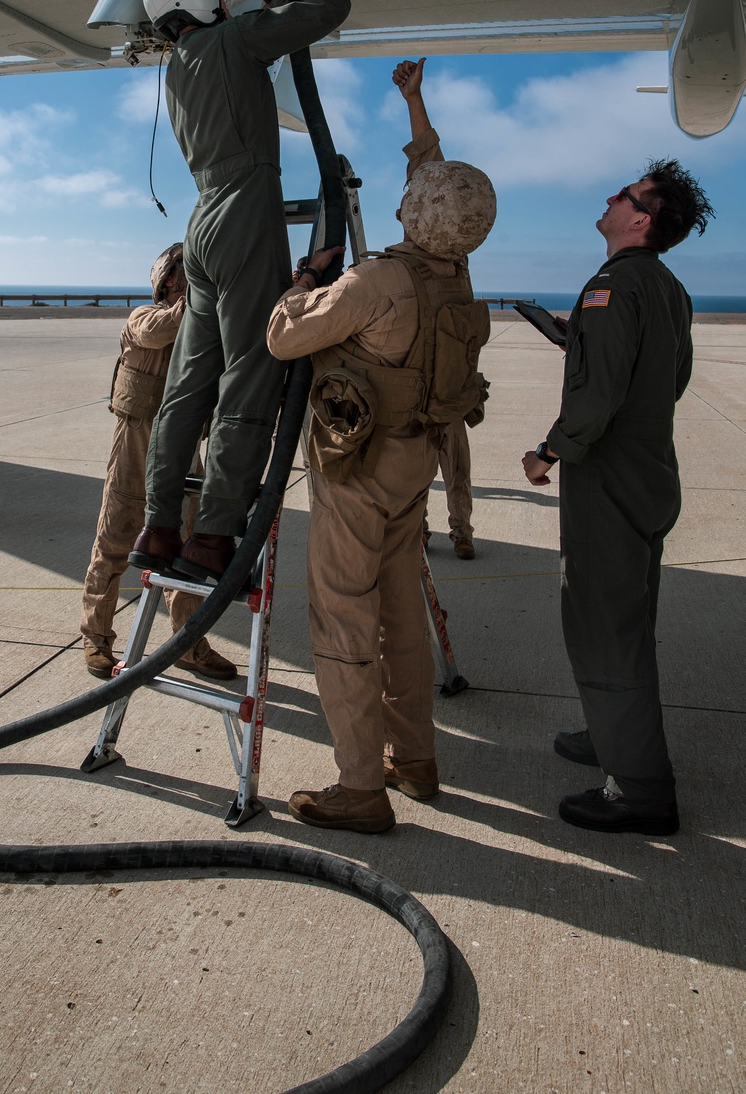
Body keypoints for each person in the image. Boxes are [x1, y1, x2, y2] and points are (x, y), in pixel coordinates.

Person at [267, 58, 496, 832]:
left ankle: (361, 786)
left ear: (414, 215)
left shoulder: (377, 282)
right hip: (415, 465)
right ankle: (416, 759)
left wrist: (303, 283)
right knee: (402, 615)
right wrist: (416, 104)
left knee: (341, 619)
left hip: (356, 470)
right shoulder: (456, 276)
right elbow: (439, 184)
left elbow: (284, 338)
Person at [130, 0, 351, 585]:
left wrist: (267, 9)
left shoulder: (182, 67)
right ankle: (214, 538)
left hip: (201, 226)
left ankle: (161, 527)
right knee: (250, 378)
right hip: (246, 211)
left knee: (190, 385)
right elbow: (329, 10)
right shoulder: (232, 41)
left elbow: (248, 53)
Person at [522, 161, 713, 835]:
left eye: (624, 194)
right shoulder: (667, 287)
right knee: (623, 616)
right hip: (650, 474)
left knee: (605, 627)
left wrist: (547, 453)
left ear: (640, 219)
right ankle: (610, 736)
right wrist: (579, 339)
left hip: (609, 482)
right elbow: (670, 377)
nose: (609, 196)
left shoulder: (611, 286)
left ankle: (639, 789)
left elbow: (597, 401)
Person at [81, 243, 237, 681]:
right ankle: (96, 639)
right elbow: (160, 329)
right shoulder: (143, 318)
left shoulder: (206, 327)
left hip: (184, 449)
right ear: (166, 282)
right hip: (137, 441)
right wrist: (201, 300)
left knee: (186, 551)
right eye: (181, 277)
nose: (183, 284)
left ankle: (187, 644)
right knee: (113, 540)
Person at [423, 417, 476, 559]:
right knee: (415, 477)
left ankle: (462, 535)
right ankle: (418, 532)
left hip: (449, 408)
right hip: (417, 410)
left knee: (457, 474)